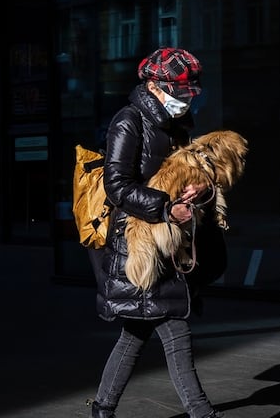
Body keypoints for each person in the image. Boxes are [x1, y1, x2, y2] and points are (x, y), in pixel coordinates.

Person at [89, 47, 225, 418]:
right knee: (174, 327)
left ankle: (102, 409)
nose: (183, 102)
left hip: (171, 242)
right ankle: (202, 413)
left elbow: (193, 171)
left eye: (187, 94)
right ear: (152, 85)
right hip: (139, 245)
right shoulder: (128, 121)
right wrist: (165, 207)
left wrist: (201, 190)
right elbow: (117, 185)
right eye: (177, 93)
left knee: (135, 334)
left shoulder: (176, 124)